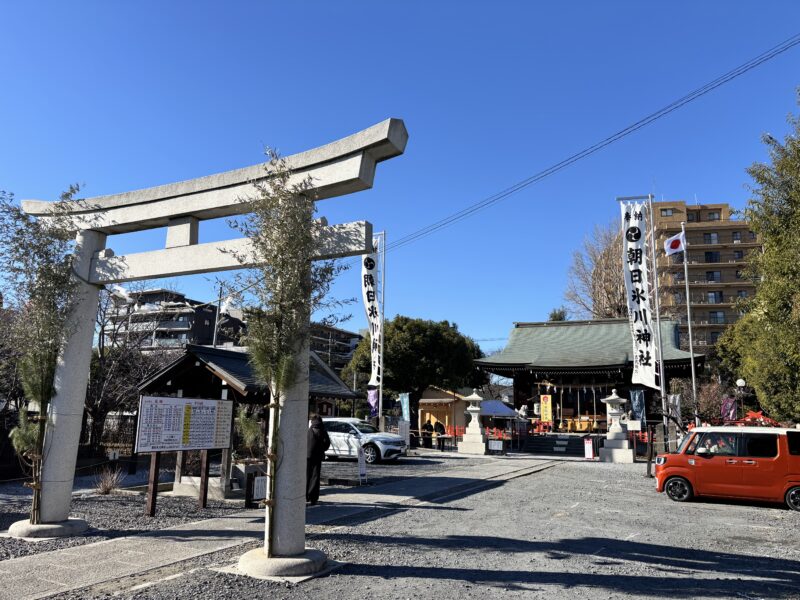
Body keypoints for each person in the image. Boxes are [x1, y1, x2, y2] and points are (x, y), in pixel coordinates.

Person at [306, 415, 330, 505]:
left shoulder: (309, 430)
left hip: (307, 456)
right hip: (318, 456)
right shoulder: (322, 431)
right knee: (315, 476)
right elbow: (327, 444)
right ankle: (313, 497)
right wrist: (321, 449)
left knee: (307, 475)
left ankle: (305, 495)